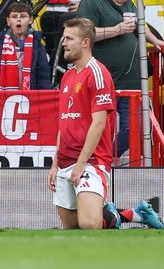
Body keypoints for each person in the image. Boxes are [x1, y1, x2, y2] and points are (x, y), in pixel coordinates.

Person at [76, 0, 164, 158]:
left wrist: (156, 41)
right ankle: (98, 158)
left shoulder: (127, 2)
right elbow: (83, 33)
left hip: (131, 80)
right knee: (100, 125)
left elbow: (139, 25)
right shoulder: (92, 1)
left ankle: (106, 157)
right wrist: (116, 30)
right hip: (104, 81)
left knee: (134, 126)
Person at [47, 17, 117, 229]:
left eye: (69, 38)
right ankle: (127, 213)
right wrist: (55, 163)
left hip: (91, 162)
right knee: (71, 227)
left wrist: (80, 164)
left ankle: (116, 216)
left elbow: (99, 124)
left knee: (89, 225)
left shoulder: (98, 73)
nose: (64, 43)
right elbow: (64, 124)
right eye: (64, 38)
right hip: (65, 162)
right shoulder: (67, 76)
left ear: (85, 42)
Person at [0, 1, 51, 90]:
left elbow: (43, 75)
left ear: (30, 20)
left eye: (23, 16)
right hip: (3, 97)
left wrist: (43, 96)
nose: (18, 19)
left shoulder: (37, 45)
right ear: (8, 21)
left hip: (31, 97)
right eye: (14, 16)